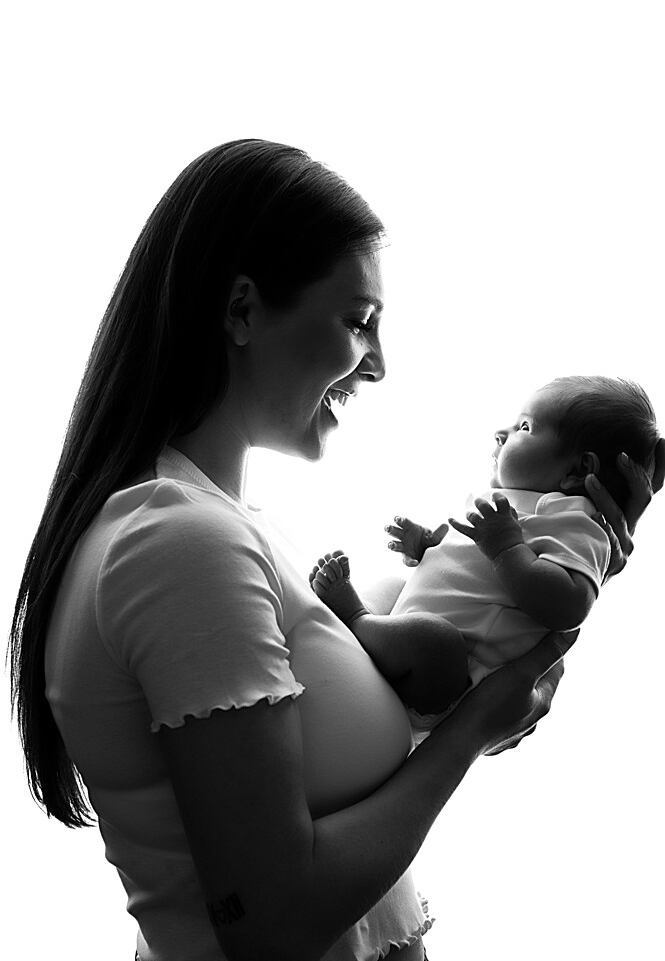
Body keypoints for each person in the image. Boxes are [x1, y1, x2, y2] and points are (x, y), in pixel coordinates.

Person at [9, 141, 661, 961]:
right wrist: (473, 725)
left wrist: (578, 545)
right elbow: (273, 923)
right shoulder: (181, 546)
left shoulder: (224, 526)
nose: (379, 365)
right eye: (359, 322)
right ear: (242, 310)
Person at [310, 376, 661, 742]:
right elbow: (465, 562)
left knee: (436, 639)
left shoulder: (576, 520)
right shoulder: (512, 502)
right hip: (418, 645)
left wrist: (507, 549)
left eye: (525, 427)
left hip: (455, 679)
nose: (501, 432)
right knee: (392, 588)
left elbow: (571, 606)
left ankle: (355, 619)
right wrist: (427, 545)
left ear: (576, 471)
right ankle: (364, 632)